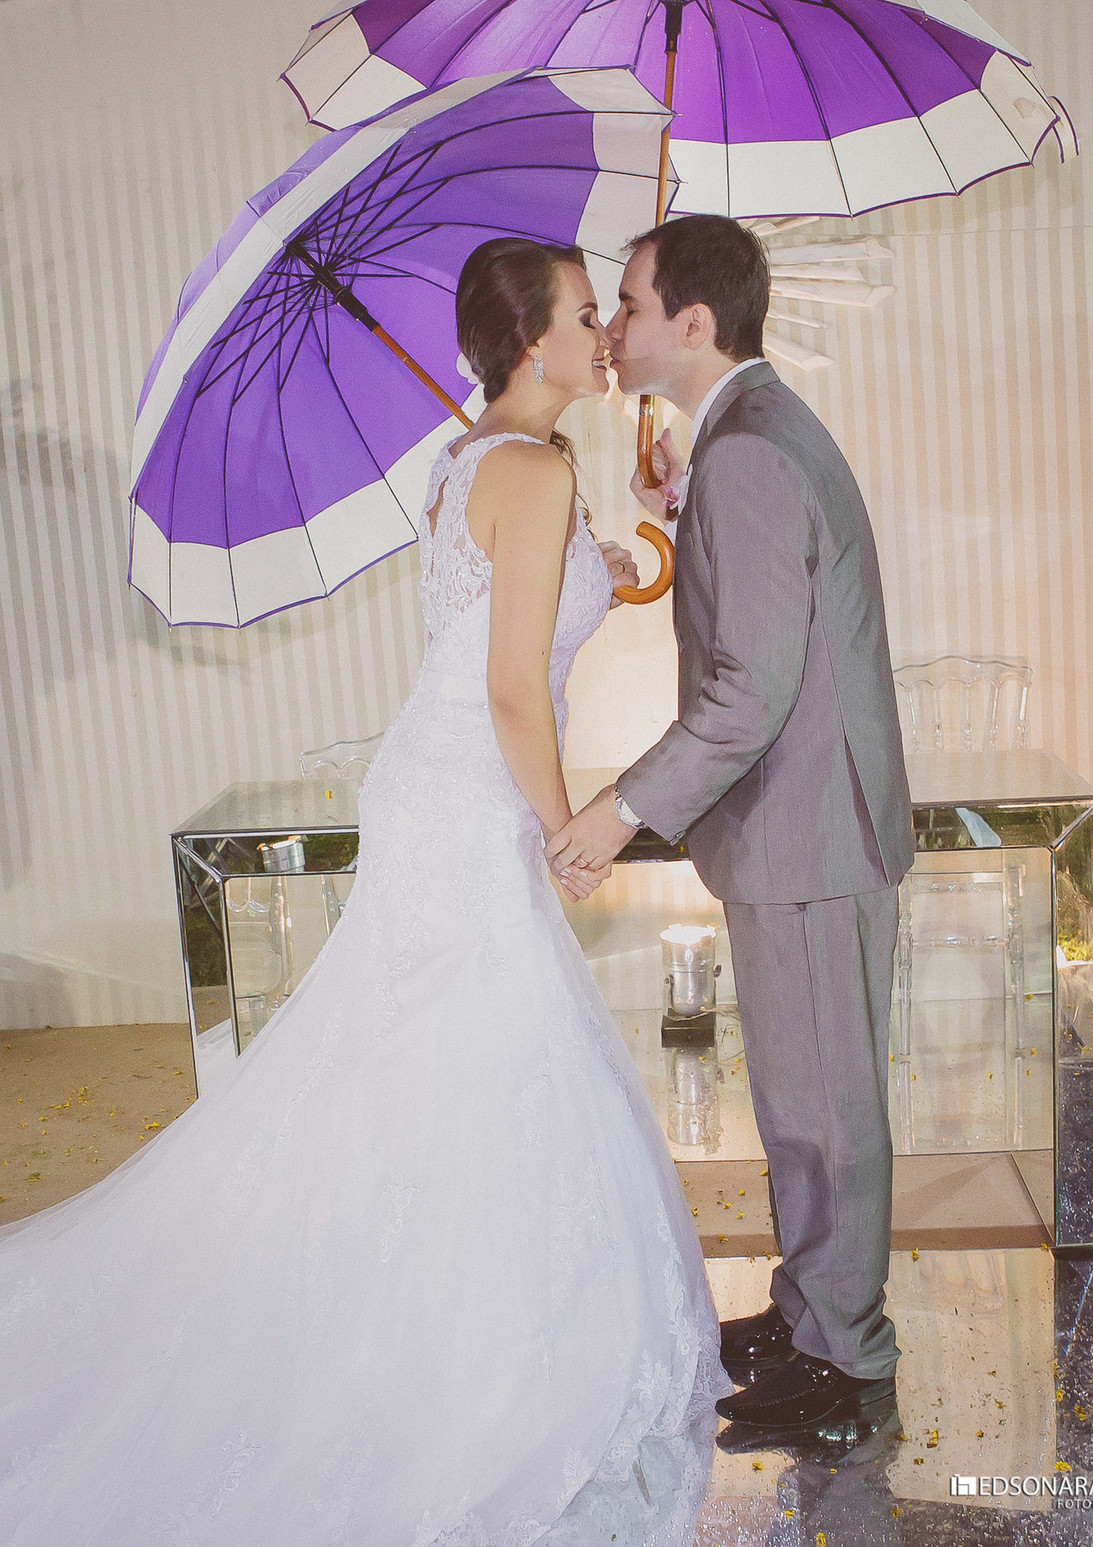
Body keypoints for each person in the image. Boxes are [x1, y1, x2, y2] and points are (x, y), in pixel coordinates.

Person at [0, 237, 733, 1545]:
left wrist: (624, 560)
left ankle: (413, 1306)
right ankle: (462, 1352)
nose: (603, 334)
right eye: (584, 315)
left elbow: (520, 610)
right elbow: (512, 689)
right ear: (531, 343)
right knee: (478, 1060)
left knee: (414, 1067)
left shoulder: (471, 461)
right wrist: (566, 827)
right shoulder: (534, 474)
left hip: (434, 788)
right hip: (475, 798)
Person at [547, 214, 916, 1444]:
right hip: (804, 827)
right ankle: (814, 1309)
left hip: (809, 832)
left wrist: (621, 809)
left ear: (694, 323)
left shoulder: (749, 451)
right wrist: (682, 490)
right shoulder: (743, 436)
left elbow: (750, 692)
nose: (614, 326)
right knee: (805, 1098)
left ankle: (849, 1364)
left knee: (826, 1111)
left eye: (630, 304)